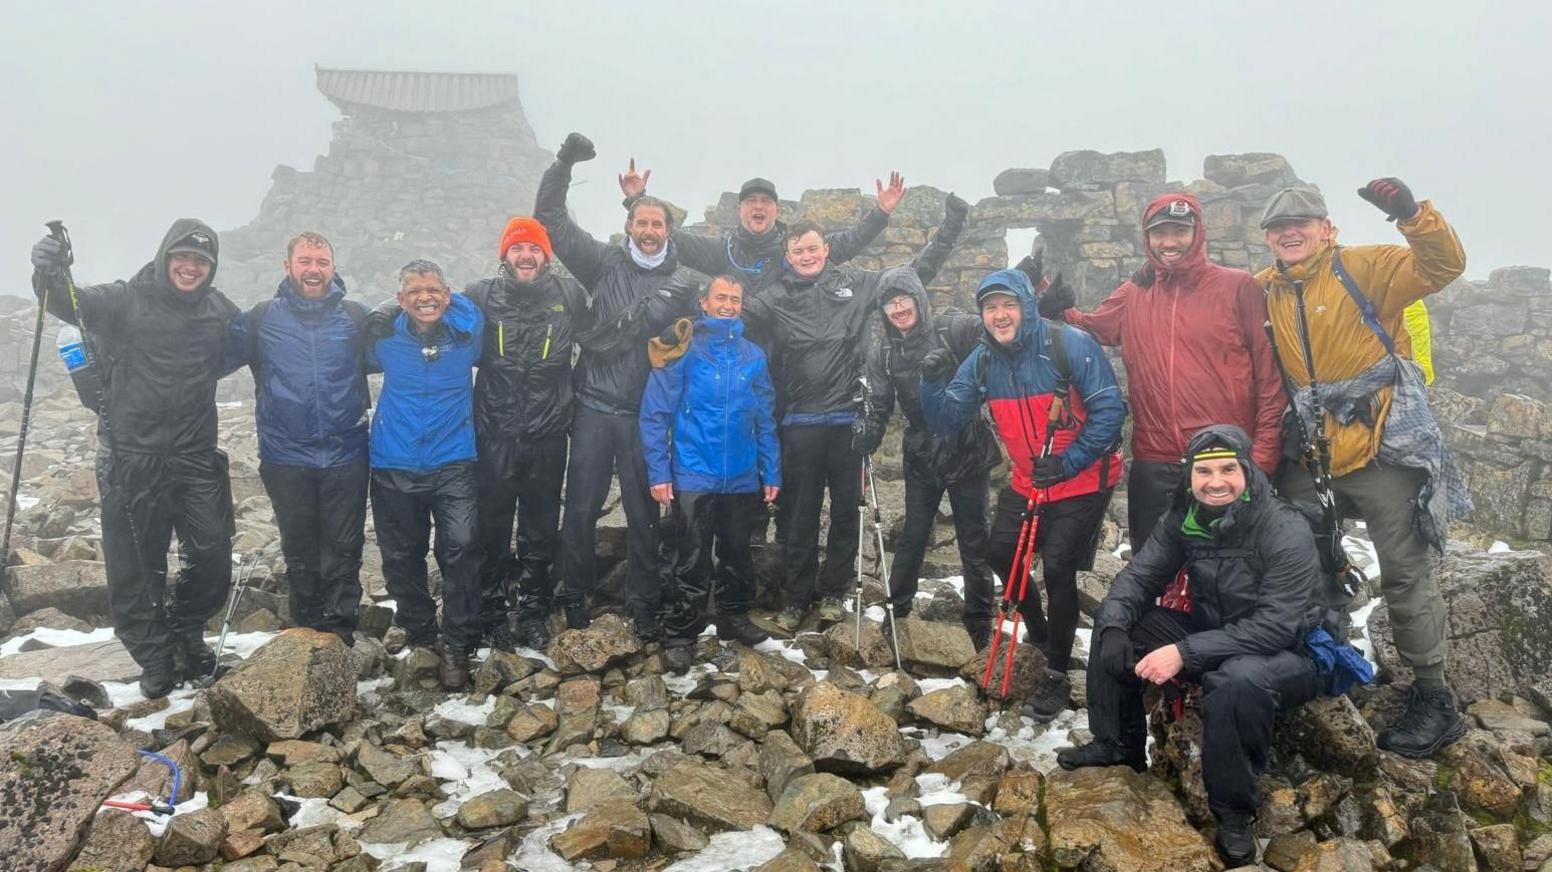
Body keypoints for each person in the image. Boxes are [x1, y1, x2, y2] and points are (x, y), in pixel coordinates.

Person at [1257, 179, 1468, 757]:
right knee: (1303, 562)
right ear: (1268, 240)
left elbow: (1443, 264)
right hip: (1312, 455)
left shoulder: (1365, 266)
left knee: (1405, 572)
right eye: (1278, 228)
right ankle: (1328, 661)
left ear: (1329, 228)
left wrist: (1410, 214)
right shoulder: (1265, 290)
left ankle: (1434, 697)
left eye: (1302, 222)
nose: (1290, 232)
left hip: (1382, 447)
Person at [1056, 425, 1330, 868]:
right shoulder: (1186, 516)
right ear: (1189, 476)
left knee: (1237, 680)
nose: (1215, 482)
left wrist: (1185, 652)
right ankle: (1117, 743)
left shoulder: (1282, 527)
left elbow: (1278, 626)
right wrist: (1111, 631)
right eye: (1204, 471)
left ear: (1247, 471)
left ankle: (1234, 814)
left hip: (1291, 653)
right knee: (1124, 626)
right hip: (1215, 630)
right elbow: (1139, 578)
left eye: (1228, 469)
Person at [30, 221, 239, 698]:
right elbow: (67, 302)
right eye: (183, 257)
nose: (191, 267)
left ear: (212, 268)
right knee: (136, 566)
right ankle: (154, 655)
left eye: (202, 262)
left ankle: (186, 630)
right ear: (166, 256)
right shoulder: (125, 298)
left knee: (212, 555)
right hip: (130, 458)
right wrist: (48, 271)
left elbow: (246, 347)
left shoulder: (219, 311)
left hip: (196, 456)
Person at [744, 193, 966, 632]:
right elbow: (729, 311)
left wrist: (950, 227)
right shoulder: (771, 297)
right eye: (797, 251)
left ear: (827, 249)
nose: (806, 256)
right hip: (799, 423)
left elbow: (912, 276)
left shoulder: (858, 283)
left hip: (849, 420)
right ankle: (794, 599)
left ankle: (833, 594)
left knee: (847, 512)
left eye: (813, 248)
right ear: (787, 256)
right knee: (798, 516)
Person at [921, 267, 1125, 722]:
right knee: (999, 553)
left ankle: (1055, 673)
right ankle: (1041, 630)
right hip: (1029, 478)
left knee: (1057, 565)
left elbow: (1111, 409)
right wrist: (931, 384)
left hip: (1084, 476)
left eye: (1008, 305)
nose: (999, 315)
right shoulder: (983, 360)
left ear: (1026, 306)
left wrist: (1069, 462)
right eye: (990, 308)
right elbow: (946, 422)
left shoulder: (1067, 343)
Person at [1037, 193, 1286, 550]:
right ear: (1147, 238)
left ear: (1197, 232)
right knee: (1152, 568)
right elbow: (1096, 328)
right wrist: (1057, 306)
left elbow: (1269, 378)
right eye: (1159, 233)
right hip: (1154, 461)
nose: (1169, 242)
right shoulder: (1135, 292)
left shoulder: (1238, 287)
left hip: (1223, 457)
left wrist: (1262, 456)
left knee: (1229, 572)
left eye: (1179, 231)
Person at [535, 133, 695, 642]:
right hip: (595, 408)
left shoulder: (684, 283)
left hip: (647, 416)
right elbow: (551, 222)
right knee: (580, 507)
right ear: (628, 226)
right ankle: (573, 597)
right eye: (642, 223)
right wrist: (563, 163)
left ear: (670, 231)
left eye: (658, 224)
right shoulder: (602, 263)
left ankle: (644, 602)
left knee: (645, 513)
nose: (649, 231)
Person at [228, 231, 370, 646]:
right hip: (284, 453)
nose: (314, 270)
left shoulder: (357, 318)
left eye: (322, 262)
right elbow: (208, 356)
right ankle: (306, 627)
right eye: (305, 261)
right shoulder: (260, 319)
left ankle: (341, 629)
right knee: (299, 545)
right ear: (287, 265)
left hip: (346, 451)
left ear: (333, 267)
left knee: (344, 547)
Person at [639, 275, 781, 672]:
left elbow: (765, 418)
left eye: (736, 299)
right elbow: (655, 414)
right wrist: (658, 472)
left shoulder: (754, 355)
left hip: (741, 473)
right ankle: (681, 632)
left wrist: (771, 471)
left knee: (738, 553)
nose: (729, 304)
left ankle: (734, 618)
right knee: (691, 556)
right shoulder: (684, 349)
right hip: (693, 472)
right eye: (722, 297)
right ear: (703, 302)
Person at [855, 260, 999, 646]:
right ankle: (897, 608)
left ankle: (980, 617)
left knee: (975, 535)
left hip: (967, 444)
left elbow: (996, 329)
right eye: (890, 305)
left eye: (904, 300)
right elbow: (882, 403)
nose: (898, 310)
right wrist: (870, 431)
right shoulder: (884, 350)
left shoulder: (953, 327)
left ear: (918, 299)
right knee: (914, 533)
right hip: (921, 451)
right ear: (882, 312)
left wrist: (1038, 306)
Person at [465, 217, 584, 651]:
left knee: (540, 528)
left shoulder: (569, 295)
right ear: (505, 256)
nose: (526, 256)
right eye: (517, 249)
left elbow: (598, 339)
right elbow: (434, 319)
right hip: (494, 432)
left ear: (546, 255)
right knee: (492, 527)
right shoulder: (480, 296)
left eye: (534, 249)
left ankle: (533, 609)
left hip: (548, 434)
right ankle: (492, 611)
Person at [366, 259, 485, 691]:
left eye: (433, 289)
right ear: (400, 300)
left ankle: (457, 643)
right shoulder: (383, 339)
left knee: (461, 547)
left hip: (454, 459)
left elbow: (475, 311)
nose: (425, 297)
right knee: (400, 557)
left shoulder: (467, 335)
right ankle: (421, 634)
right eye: (414, 290)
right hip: (393, 461)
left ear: (447, 294)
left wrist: (462, 310)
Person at [618, 165, 904, 294]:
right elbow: (670, 235)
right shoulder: (721, 250)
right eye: (751, 201)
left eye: (766, 202)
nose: (758, 207)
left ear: (776, 210)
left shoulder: (794, 251)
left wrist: (881, 213)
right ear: (740, 209)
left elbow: (850, 242)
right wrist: (637, 200)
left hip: (787, 359)